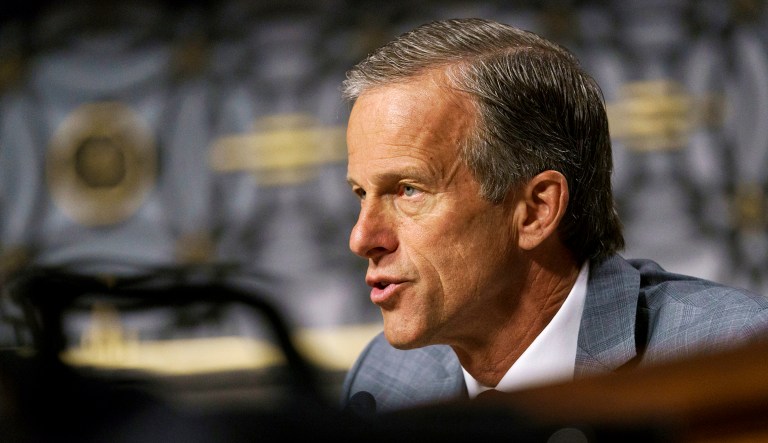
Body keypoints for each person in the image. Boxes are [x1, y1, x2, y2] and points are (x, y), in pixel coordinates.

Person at [339, 18, 768, 414]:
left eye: (408, 190)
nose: (362, 238)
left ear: (536, 211)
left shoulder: (734, 353)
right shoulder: (385, 380)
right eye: (361, 193)